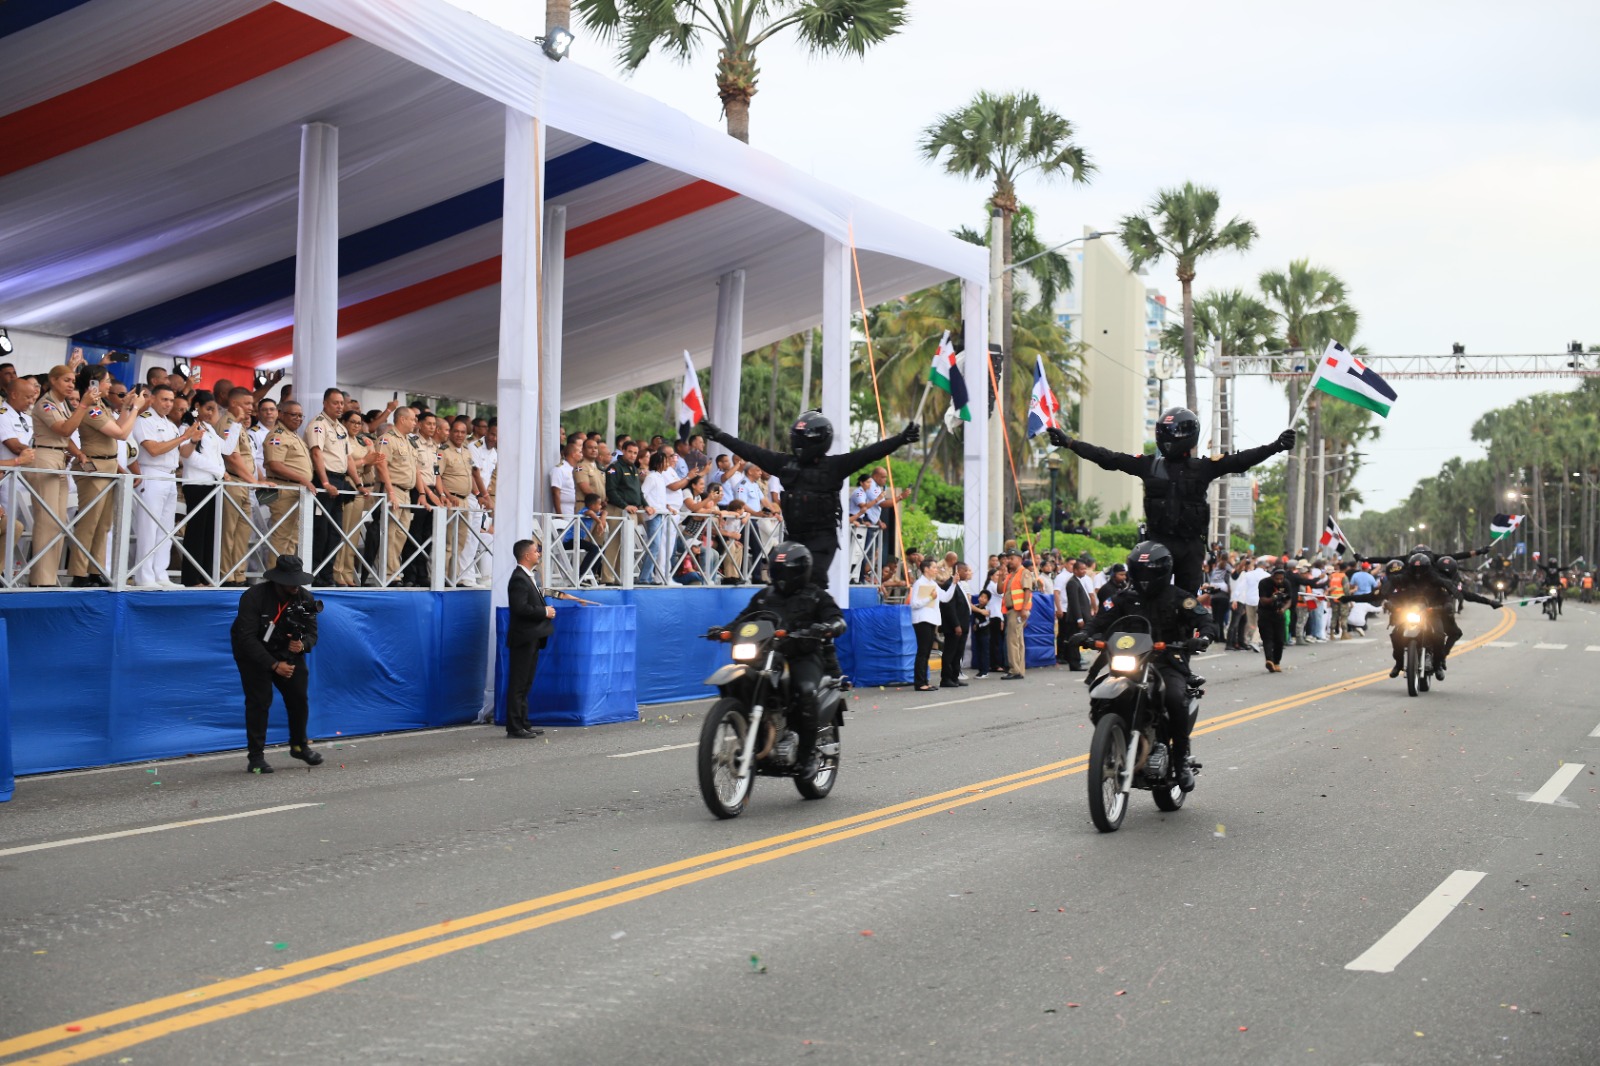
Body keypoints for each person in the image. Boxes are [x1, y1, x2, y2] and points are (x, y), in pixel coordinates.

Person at [1048, 410, 1294, 593]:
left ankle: (1187, 637)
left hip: (1188, 546)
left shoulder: (1200, 466)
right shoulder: (1151, 465)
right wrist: (1070, 442)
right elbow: (1107, 458)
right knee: (1143, 595)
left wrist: (1275, 446)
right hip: (1157, 545)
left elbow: (1241, 460)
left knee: (1188, 601)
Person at [698, 412, 919, 592]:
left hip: (821, 541)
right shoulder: (785, 463)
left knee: (812, 587)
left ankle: (824, 626)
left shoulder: (834, 466)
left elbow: (870, 453)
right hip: (793, 537)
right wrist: (719, 436)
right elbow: (750, 451)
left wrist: (901, 438)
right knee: (777, 586)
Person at [1073, 541, 1216, 791]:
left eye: (1150, 571)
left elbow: (1205, 619)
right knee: (1101, 695)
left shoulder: (1180, 597)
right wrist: (1085, 634)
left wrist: (1203, 637)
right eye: (1140, 571)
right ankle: (1112, 739)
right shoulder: (1123, 598)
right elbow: (1100, 620)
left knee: (1174, 698)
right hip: (1131, 659)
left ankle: (1180, 760)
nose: (1144, 577)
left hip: (1167, 661)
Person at [718, 542, 846, 777]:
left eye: (786, 570)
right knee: (738, 680)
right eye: (778, 570)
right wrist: (725, 630)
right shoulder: (764, 597)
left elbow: (837, 619)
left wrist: (827, 627)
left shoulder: (817, 596)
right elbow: (744, 619)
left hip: (803, 656)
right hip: (767, 656)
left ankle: (807, 755)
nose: (782, 576)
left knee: (805, 690)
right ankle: (750, 732)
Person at [230, 554, 324, 774]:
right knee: (259, 701)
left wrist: (302, 645)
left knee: (298, 697)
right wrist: (273, 665)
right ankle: (256, 757)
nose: (296, 586)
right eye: (291, 582)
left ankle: (299, 746)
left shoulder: (305, 598)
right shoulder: (253, 597)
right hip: (253, 653)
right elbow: (246, 639)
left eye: (298, 581)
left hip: (286, 650)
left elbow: (312, 634)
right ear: (278, 581)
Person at [128, 384, 203, 588]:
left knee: (165, 530)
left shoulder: (170, 424)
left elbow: (181, 454)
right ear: (152, 399)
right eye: (164, 399)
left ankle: (160, 574)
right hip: (151, 474)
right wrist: (183, 437)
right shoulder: (144, 420)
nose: (169, 404)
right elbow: (153, 450)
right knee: (148, 529)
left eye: (171, 400)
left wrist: (192, 441)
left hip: (169, 476)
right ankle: (144, 576)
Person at [304, 387, 354, 586]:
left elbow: (348, 458)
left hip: (340, 480)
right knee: (321, 530)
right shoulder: (318, 424)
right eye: (335, 403)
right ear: (325, 403)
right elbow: (316, 453)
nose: (340, 406)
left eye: (342, 403)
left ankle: (327, 574)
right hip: (324, 480)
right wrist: (325, 482)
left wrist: (358, 483)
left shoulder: (341, 428)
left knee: (335, 531)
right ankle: (315, 574)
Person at [505, 538, 554, 739]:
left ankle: (524, 722)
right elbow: (520, 608)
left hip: (532, 637)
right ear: (526, 555)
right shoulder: (519, 578)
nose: (539, 554)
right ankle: (515, 726)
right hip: (523, 638)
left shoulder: (528, 577)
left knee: (526, 683)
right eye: (536, 551)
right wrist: (544, 611)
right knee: (518, 684)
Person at [909, 556, 956, 691]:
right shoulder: (919, 583)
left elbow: (945, 597)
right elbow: (914, 604)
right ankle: (919, 682)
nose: (936, 570)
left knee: (927, 651)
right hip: (921, 619)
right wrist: (930, 597)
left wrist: (953, 584)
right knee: (923, 651)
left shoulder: (933, 584)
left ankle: (925, 680)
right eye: (934, 567)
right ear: (926, 569)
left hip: (931, 620)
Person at [997, 548, 1034, 680]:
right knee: (1017, 640)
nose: (1009, 561)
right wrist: (1001, 576)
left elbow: (1027, 591)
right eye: (1008, 558)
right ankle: (1019, 670)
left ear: (1019, 559)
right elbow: (1000, 590)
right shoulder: (1011, 575)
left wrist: (1024, 609)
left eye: (1011, 558)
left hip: (1017, 610)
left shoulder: (1024, 572)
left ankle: (1014, 670)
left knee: (1012, 640)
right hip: (1011, 610)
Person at [939, 562, 973, 689]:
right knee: (950, 652)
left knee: (958, 653)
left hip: (962, 625)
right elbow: (949, 607)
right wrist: (956, 625)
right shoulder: (950, 585)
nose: (968, 573)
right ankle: (946, 678)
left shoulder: (960, 584)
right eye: (966, 570)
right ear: (958, 571)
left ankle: (954, 677)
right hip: (954, 627)